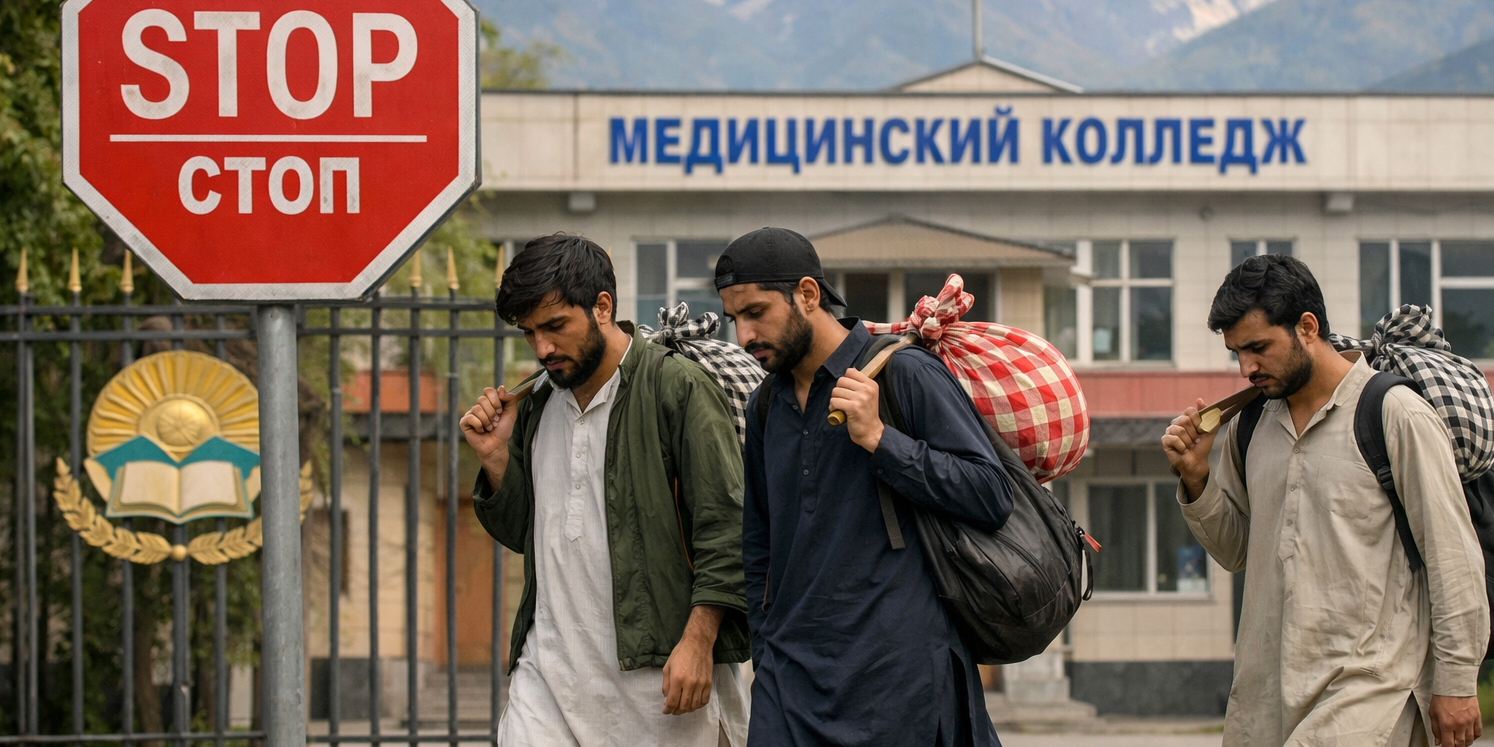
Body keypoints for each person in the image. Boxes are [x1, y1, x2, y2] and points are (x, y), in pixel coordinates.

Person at [1161, 255, 1489, 747]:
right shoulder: (1249, 426)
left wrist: (1457, 683)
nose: (1246, 368)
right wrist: (1196, 477)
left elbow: (1453, 558)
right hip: (1265, 698)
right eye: (1236, 353)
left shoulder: (1394, 413)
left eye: (1258, 348)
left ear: (1308, 327)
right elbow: (1236, 550)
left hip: (1370, 694)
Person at [715, 227, 1014, 747]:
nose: (744, 336)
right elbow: (759, 544)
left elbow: (991, 494)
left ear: (808, 294)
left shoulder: (904, 372)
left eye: (756, 312)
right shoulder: (765, 406)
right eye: (734, 319)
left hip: (901, 683)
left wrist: (881, 439)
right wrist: (766, 653)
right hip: (791, 686)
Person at [459, 233, 751, 747]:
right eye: (529, 333)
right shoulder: (536, 404)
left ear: (602, 307)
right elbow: (525, 534)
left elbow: (726, 529)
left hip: (660, 684)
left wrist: (699, 641)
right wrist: (496, 459)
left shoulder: (675, 387)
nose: (542, 349)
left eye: (554, 326)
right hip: (548, 679)